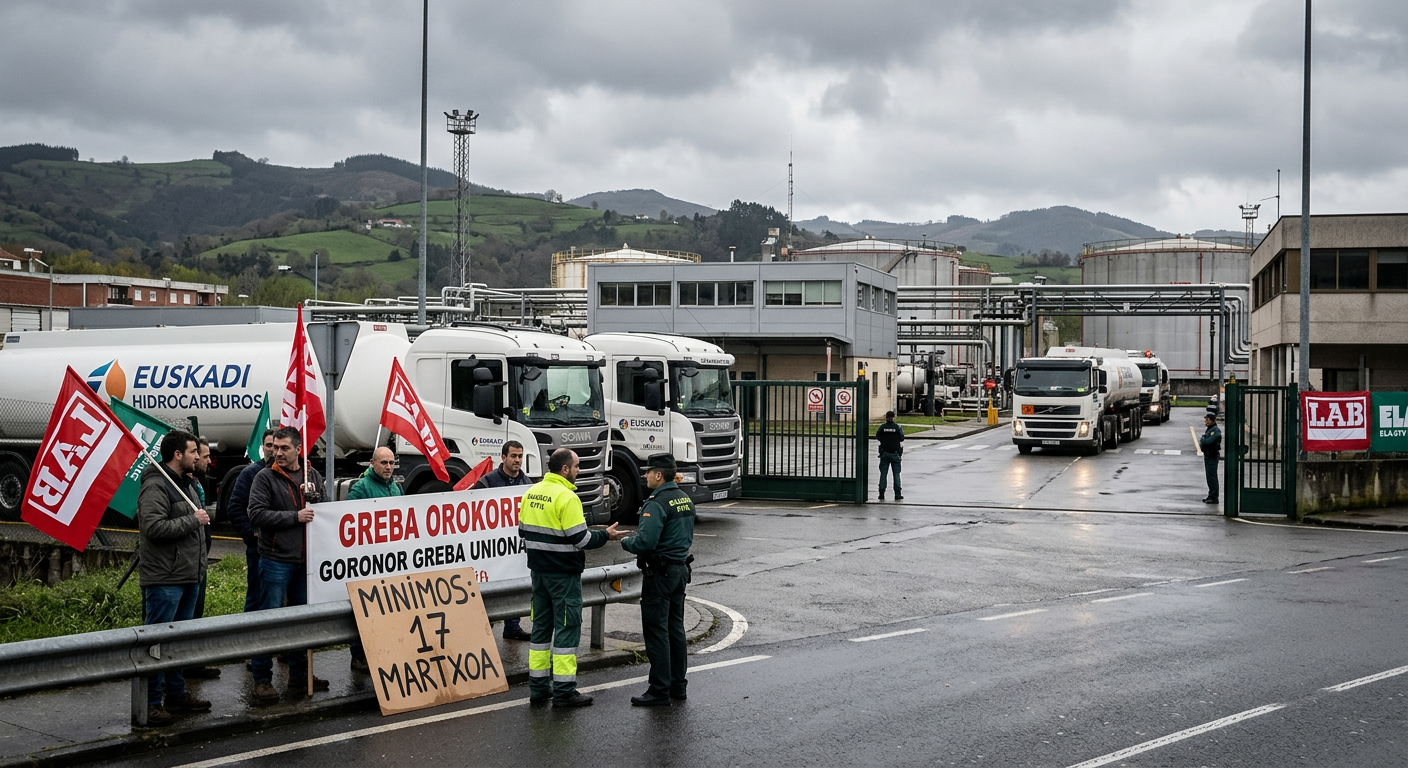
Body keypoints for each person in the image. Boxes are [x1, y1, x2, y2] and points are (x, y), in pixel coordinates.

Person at [518, 448, 624, 708]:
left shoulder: (531, 492)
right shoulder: (567, 497)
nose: (578, 471)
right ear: (565, 469)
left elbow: (523, 531)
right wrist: (605, 535)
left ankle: (538, 688)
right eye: (576, 466)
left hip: (539, 574)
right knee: (567, 629)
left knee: (541, 630)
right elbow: (581, 539)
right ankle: (564, 691)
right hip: (563, 576)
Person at [135, 430, 211, 726]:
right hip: (165, 578)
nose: (198, 456)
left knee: (176, 641)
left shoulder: (185, 483)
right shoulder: (156, 485)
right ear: (177, 455)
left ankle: (176, 694)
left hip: (187, 575)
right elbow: (153, 528)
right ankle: (151, 702)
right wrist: (193, 520)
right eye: (193, 452)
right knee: (157, 642)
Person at [247, 426, 325, 702]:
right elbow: (256, 514)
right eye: (275, 448)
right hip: (275, 559)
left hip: (305, 562)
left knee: (301, 621)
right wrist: (295, 517)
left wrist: (317, 502)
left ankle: (299, 675)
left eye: (284, 448)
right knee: (268, 620)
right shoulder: (264, 477)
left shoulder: (312, 475)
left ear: (298, 450)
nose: (277, 453)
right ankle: (262, 679)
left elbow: (326, 510)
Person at [620, 453, 695, 707]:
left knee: (656, 631)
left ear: (659, 475)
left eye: (648, 472)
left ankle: (659, 689)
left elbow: (645, 542)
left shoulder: (656, 503)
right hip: (680, 571)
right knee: (676, 629)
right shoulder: (685, 499)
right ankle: (678, 686)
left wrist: (625, 542)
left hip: (659, 574)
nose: (645, 476)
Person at [344, 447, 402, 672]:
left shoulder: (396, 488)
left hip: (390, 561)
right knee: (364, 610)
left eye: (391, 463)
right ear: (372, 463)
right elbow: (350, 523)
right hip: (367, 562)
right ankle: (358, 656)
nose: (388, 467)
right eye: (384, 463)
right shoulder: (361, 488)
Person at [473, 441, 532, 642]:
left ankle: (512, 627)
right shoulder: (487, 482)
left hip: (516, 546)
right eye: (513, 456)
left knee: (515, 583)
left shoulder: (527, 483)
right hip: (491, 547)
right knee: (491, 585)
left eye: (520, 456)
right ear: (503, 457)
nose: (517, 460)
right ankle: (484, 627)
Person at [183, 438, 221, 680]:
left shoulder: (199, 481)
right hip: (186, 561)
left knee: (196, 612)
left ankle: (192, 663)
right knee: (185, 615)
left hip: (200, 557)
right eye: (201, 455)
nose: (205, 460)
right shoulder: (179, 484)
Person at [228, 429, 275, 614]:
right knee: (256, 597)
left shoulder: (293, 474)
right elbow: (235, 508)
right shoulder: (250, 473)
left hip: (284, 551)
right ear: (263, 447)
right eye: (269, 445)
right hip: (258, 550)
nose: (273, 450)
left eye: (277, 446)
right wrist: (251, 535)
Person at [875, 411, 905, 501]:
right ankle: (897, 494)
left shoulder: (882, 427)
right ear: (893, 417)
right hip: (895, 453)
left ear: (886, 417)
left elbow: (878, 436)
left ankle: (881, 493)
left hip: (884, 453)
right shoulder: (897, 427)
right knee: (896, 474)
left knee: (883, 474)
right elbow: (902, 438)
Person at [1200, 413, 1222, 504]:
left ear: (1211, 420)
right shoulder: (1210, 429)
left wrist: (1203, 438)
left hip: (1212, 455)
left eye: (1207, 420)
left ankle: (1214, 496)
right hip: (1208, 455)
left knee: (1212, 477)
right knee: (1209, 477)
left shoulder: (1215, 430)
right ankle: (1211, 495)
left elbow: (1207, 441)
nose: (1206, 421)